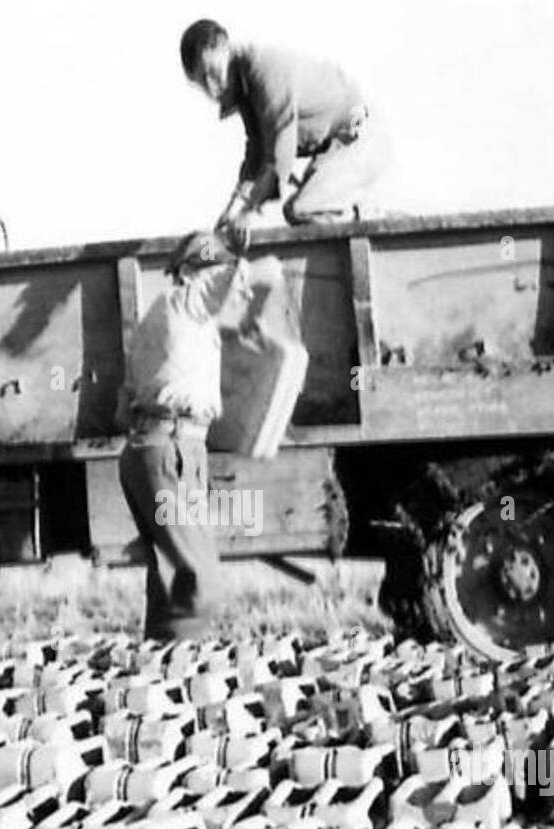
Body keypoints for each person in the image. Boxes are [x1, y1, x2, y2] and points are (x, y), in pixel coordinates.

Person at [116, 230, 252, 640]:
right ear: (193, 274)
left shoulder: (162, 315)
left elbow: (122, 404)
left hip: (160, 447)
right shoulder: (187, 303)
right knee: (197, 578)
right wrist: (238, 243)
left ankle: (164, 668)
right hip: (169, 449)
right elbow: (228, 275)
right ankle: (185, 667)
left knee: (172, 575)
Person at [180, 19, 391, 250]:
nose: (212, 89)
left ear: (225, 47)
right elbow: (257, 152)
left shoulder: (263, 69)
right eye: (201, 83)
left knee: (304, 209)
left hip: (357, 126)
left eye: (212, 73)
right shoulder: (241, 84)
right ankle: (364, 218)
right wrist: (233, 208)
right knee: (302, 209)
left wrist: (249, 212)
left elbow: (281, 148)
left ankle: (379, 224)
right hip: (337, 142)